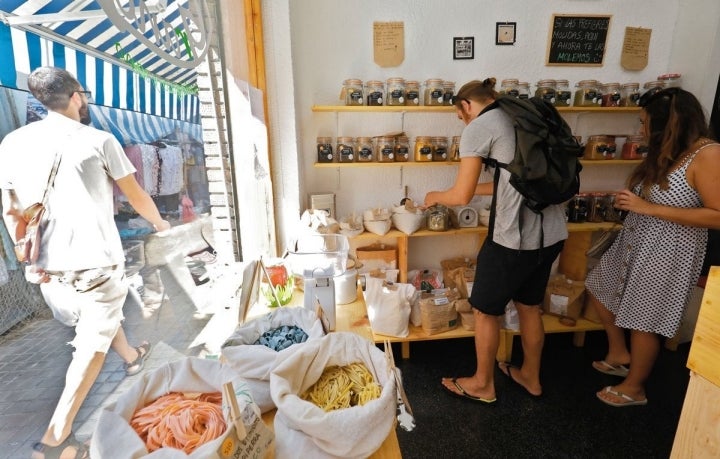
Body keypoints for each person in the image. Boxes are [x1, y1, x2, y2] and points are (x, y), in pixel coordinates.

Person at [0, 67, 172, 458]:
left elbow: (11, 211)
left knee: (98, 320)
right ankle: (56, 439)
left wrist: (27, 256)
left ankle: (130, 358)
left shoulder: (11, 144)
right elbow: (136, 194)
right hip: (95, 262)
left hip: (47, 269)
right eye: (86, 95)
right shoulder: (98, 139)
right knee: (89, 348)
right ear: (76, 96)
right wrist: (160, 224)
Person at [424, 79, 567, 402]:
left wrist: (434, 195)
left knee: (486, 311)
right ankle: (531, 376)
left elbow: (461, 195)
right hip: (553, 233)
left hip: (512, 241)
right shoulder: (528, 116)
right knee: (530, 307)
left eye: (461, 116)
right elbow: (510, 181)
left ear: (465, 105)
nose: (465, 122)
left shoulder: (481, 125)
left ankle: (482, 384)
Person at [586, 87, 720, 407]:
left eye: (644, 123)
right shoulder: (671, 150)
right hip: (636, 240)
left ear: (666, 123)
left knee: (643, 320)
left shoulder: (709, 155)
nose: (640, 130)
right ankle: (619, 353)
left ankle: (635, 388)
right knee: (598, 285)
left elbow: (717, 215)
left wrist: (647, 208)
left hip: (669, 252)